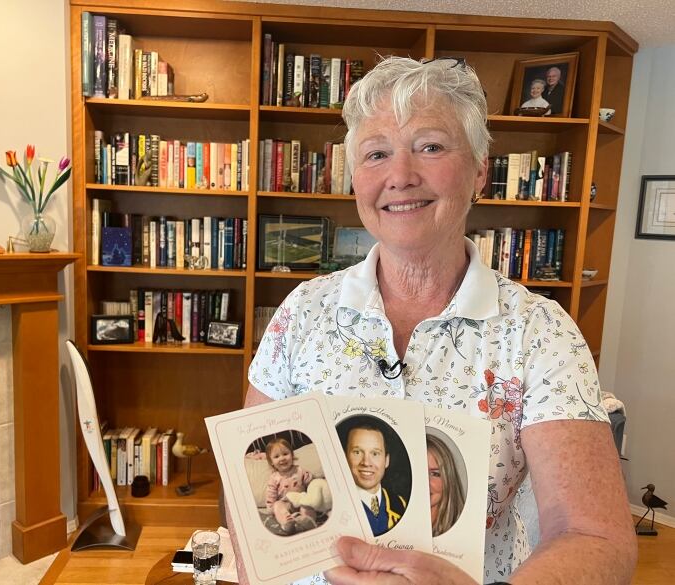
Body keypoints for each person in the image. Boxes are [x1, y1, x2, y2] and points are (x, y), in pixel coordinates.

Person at [232, 55, 636, 585]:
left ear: (479, 173)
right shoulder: (301, 312)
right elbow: (248, 487)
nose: (400, 176)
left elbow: (597, 539)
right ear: (355, 179)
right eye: (376, 154)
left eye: (430, 146)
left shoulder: (541, 332)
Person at [343, 423, 407, 536]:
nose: (366, 462)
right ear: (345, 457)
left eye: (375, 453)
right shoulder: (336, 508)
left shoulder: (400, 505)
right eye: (357, 452)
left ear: (386, 460)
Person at [263, 437, 317, 534]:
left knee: (308, 504)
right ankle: (286, 522)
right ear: (271, 462)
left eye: (285, 454)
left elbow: (312, 484)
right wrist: (272, 508)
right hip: (286, 504)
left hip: (301, 499)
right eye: (276, 456)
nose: (282, 458)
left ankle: (307, 521)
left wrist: (314, 494)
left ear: (292, 455)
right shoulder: (274, 478)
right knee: (278, 505)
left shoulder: (300, 470)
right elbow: (270, 495)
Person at [426, 434, 465, 537]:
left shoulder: (463, 536)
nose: (425, 481)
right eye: (419, 471)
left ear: (448, 480)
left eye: (435, 474)